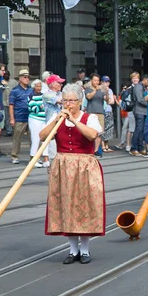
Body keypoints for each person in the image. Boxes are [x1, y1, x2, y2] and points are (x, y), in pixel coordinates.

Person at [40, 83, 104, 264]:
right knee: (67, 206)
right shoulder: (57, 116)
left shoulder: (89, 117)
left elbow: (92, 135)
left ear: (80, 101)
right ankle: (72, 250)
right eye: (65, 100)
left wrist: (74, 121)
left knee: (84, 206)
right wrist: (56, 120)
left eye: (72, 101)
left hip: (84, 165)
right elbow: (43, 136)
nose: (67, 104)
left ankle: (85, 250)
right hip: (63, 165)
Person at [9, 69, 32, 164]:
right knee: (17, 138)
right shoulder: (15, 91)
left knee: (33, 138)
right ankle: (14, 156)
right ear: (20, 79)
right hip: (19, 117)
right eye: (25, 77)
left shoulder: (31, 89)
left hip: (30, 117)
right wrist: (12, 118)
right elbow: (11, 105)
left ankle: (33, 156)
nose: (27, 79)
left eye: (28, 77)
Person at [84, 73, 109, 158]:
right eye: (95, 80)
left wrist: (107, 93)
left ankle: (96, 150)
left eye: (98, 80)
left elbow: (107, 100)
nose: (96, 82)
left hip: (100, 112)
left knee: (99, 132)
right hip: (91, 112)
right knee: (90, 132)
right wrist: (95, 90)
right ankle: (89, 149)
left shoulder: (102, 90)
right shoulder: (88, 89)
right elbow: (89, 97)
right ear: (91, 81)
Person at [27, 79, 50, 168]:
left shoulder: (43, 96)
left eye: (40, 86)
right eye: (37, 86)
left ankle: (45, 159)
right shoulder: (31, 95)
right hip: (34, 120)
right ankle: (33, 159)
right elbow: (34, 109)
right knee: (35, 139)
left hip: (43, 120)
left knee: (45, 139)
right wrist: (41, 106)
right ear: (34, 87)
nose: (39, 88)